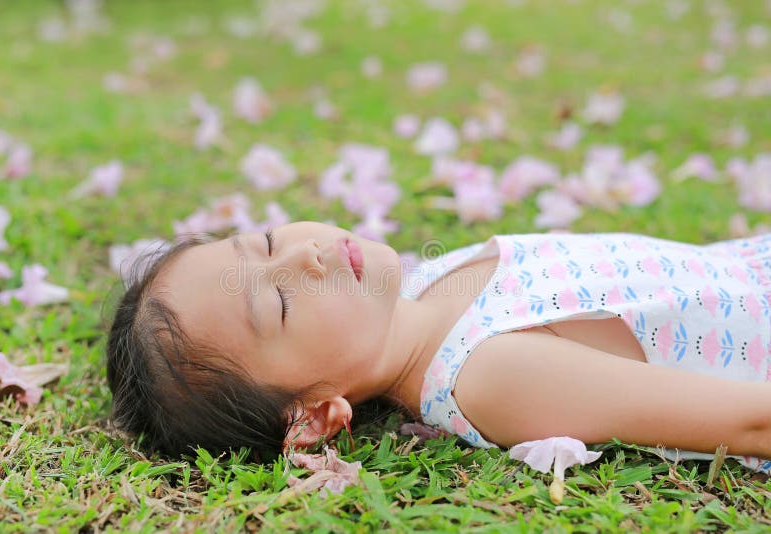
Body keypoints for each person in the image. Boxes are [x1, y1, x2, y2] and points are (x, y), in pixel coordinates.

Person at [105, 221, 771, 474]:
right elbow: (751, 418)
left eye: (269, 244)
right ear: (310, 417)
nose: (305, 257)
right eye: (277, 305)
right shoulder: (490, 373)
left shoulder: (427, 284)